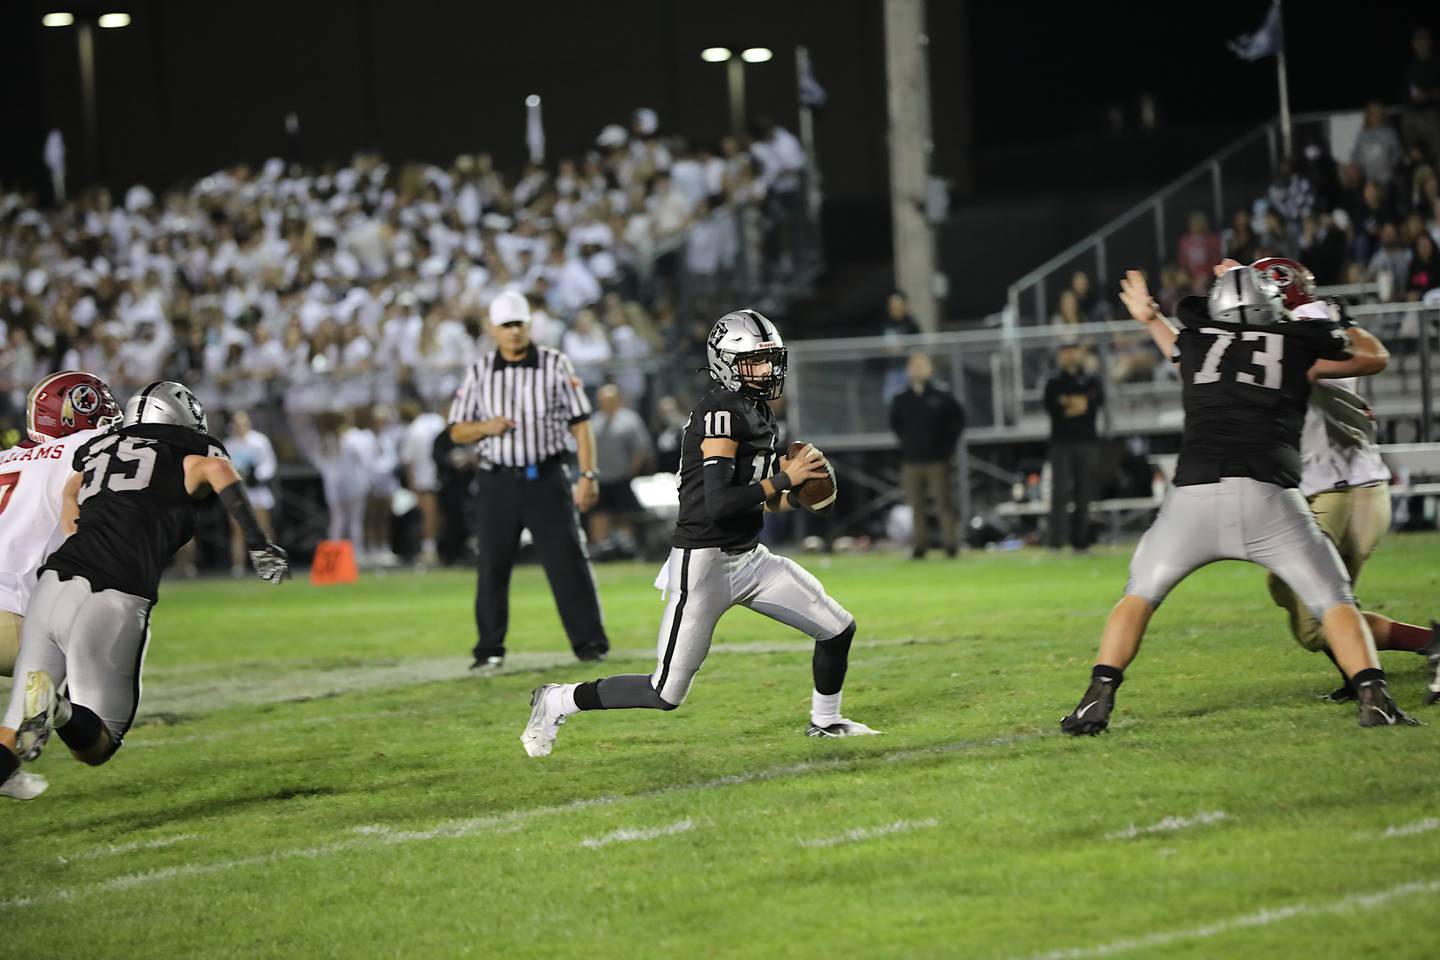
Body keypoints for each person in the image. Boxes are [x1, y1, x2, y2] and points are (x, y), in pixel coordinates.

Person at [1060, 267, 1417, 736]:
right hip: (1271, 497)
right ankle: (1375, 699)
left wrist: (1149, 317)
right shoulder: (1297, 347)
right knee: (1334, 600)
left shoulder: (1196, 343)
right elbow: (1373, 358)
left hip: (1193, 500)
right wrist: (1329, 315)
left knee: (1139, 596)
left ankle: (1096, 700)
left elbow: (1174, 347)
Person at [520, 309, 877, 758]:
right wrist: (787, 479)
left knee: (837, 628)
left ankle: (826, 722)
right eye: (756, 362)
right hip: (702, 565)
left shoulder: (758, 412)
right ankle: (558, 699)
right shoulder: (720, 411)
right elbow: (719, 502)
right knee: (664, 692)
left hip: (751, 559)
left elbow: (761, 499)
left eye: (770, 359)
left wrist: (802, 494)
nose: (768, 370)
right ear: (726, 362)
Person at [1, 380, 289, 798]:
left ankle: (22, 745)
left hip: (54, 583)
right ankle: (58, 709)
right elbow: (217, 471)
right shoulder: (121, 443)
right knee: (99, 740)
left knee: (17, 717)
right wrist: (259, 543)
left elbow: (71, 501)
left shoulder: (50, 454)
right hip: (105, 590)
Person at [1249, 257, 1440, 701]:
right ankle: (1357, 675)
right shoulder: (1319, 321)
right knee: (1290, 588)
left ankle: (1426, 646)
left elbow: (1366, 360)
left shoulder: (1291, 338)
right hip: (1351, 488)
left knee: (1318, 621)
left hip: (1339, 495)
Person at [448, 290, 608, 670]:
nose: (514, 332)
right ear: (493, 328)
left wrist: (587, 474)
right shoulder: (479, 370)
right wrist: (485, 427)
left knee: (567, 563)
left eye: (518, 324)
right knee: (492, 566)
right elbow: (456, 430)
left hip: (546, 477)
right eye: (506, 325)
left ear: (529, 325)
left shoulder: (555, 364)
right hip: (497, 480)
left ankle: (589, 643)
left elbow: (581, 425)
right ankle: (489, 649)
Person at [0, 372, 123, 800]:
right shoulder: (80, 450)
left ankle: (51, 709)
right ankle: (51, 707)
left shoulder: (4, 459)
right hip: (16, 615)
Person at [888, 353, 966, 559]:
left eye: (922, 365)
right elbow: (896, 425)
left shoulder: (942, 395)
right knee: (916, 505)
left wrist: (945, 449)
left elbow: (956, 423)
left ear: (930, 369)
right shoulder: (901, 398)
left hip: (937, 459)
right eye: (914, 365)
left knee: (943, 503)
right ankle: (919, 546)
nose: (917, 369)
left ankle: (950, 544)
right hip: (911, 459)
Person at [1043, 342, 1104, 550]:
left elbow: (1094, 402)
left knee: (1084, 492)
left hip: (1086, 441)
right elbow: (1054, 406)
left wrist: (1069, 403)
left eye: (1073, 351)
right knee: (1059, 492)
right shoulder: (1053, 382)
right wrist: (1080, 402)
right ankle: (1057, 540)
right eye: (1065, 351)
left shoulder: (1092, 380)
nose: (1069, 356)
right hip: (1061, 442)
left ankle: (1081, 539)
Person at [589, 383, 654, 547]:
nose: (606, 402)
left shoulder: (630, 420)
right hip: (600, 477)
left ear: (618, 399)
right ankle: (600, 547)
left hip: (622, 476)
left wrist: (632, 469)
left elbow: (641, 447)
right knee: (598, 514)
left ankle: (626, 547)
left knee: (625, 514)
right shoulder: (594, 421)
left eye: (610, 399)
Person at [223, 410, 277, 577]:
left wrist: (257, 475)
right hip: (239, 491)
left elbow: (269, 464)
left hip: (257, 490)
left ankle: (269, 563)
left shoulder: (259, 441)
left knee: (263, 528)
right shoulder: (228, 444)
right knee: (238, 530)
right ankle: (238, 565)